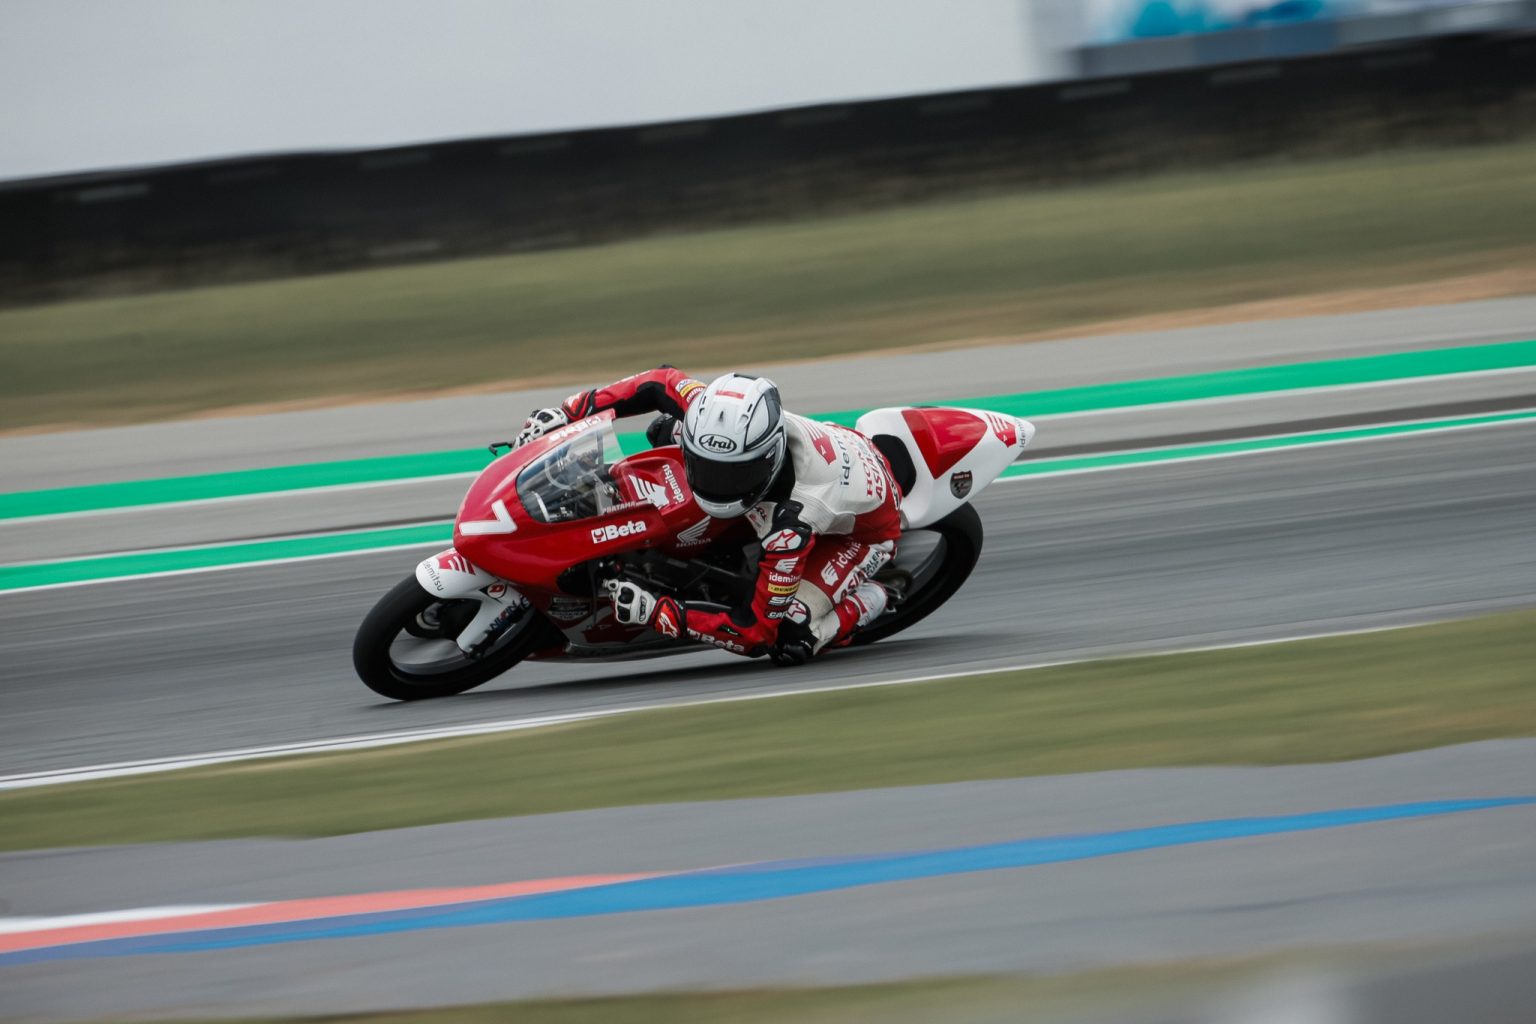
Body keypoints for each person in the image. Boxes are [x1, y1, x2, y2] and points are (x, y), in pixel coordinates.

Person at [515, 368, 901, 665]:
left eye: (732, 475)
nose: (715, 483)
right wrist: (569, 413)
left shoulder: (792, 525)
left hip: (864, 533)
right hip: (831, 451)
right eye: (706, 466)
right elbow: (658, 381)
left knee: (790, 635)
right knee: (662, 429)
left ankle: (874, 597)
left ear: (764, 462)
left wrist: (661, 612)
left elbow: (755, 632)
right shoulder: (709, 408)